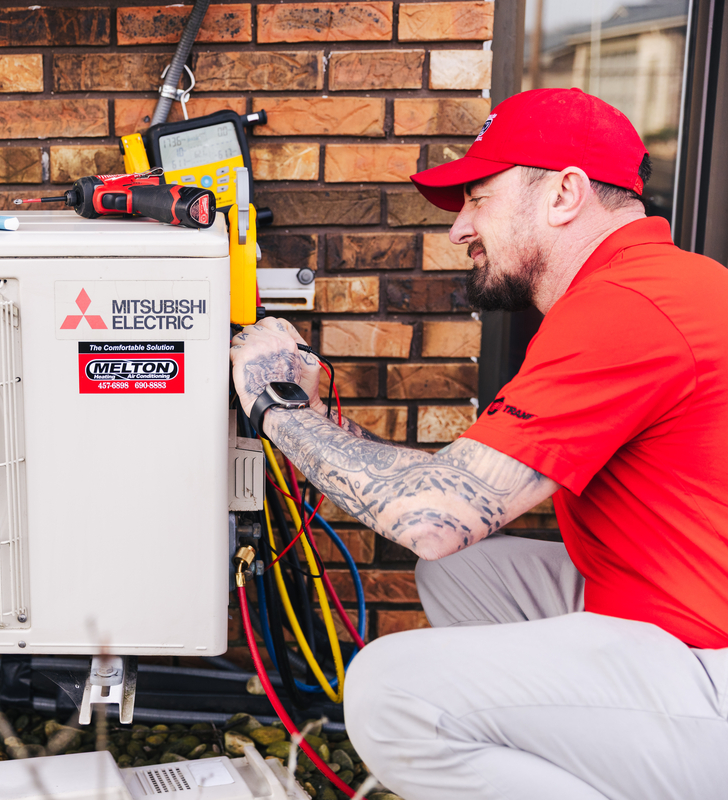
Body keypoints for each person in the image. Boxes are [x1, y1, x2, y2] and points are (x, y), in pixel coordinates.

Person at [228, 87, 728, 799]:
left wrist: (273, 407)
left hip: (711, 666)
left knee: (390, 691)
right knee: (463, 573)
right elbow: (460, 492)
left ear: (564, 194)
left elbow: (433, 517)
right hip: (675, 606)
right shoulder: (661, 283)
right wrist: (315, 418)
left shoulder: (628, 308)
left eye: (478, 199)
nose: (460, 229)